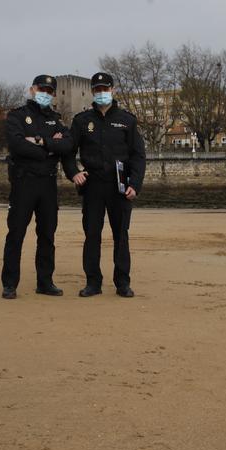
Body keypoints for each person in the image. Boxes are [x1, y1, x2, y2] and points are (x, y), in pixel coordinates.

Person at [62, 72, 146, 298]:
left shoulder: (127, 120)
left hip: (120, 186)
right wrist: (73, 173)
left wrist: (135, 184)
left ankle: (122, 282)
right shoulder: (81, 121)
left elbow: (138, 155)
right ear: (92, 92)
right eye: (97, 89)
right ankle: (93, 282)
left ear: (113, 90)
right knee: (92, 235)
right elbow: (68, 152)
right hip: (92, 186)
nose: (101, 93)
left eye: (105, 89)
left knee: (121, 236)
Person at [1, 75, 72, 299]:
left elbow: (68, 144)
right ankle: (10, 284)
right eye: (42, 89)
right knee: (16, 234)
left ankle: (45, 281)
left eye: (50, 91)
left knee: (47, 235)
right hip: (24, 183)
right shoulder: (17, 116)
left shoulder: (56, 120)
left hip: (48, 184)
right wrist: (50, 148)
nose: (46, 93)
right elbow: (17, 144)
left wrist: (39, 141)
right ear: (32, 89)